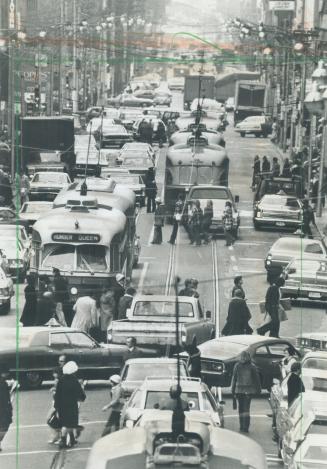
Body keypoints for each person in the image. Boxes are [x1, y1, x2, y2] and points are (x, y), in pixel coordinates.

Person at [54, 361, 86, 449]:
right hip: (71, 405)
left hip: (61, 405)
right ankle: (63, 440)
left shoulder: (61, 380)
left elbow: (57, 394)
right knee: (70, 423)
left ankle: (71, 439)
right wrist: (82, 397)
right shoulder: (74, 381)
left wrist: (56, 406)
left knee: (65, 422)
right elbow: (80, 394)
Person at [231, 351, 261, 433]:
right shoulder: (252, 366)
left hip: (239, 390)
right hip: (248, 390)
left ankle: (241, 426)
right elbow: (256, 380)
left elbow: (234, 379)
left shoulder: (237, 365)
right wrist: (259, 390)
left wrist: (232, 390)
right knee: (246, 409)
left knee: (240, 409)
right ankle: (245, 427)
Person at [0, 365, 13, 451]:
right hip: (3, 408)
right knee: (4, 426)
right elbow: (5, 397)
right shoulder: (2, 383)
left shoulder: (3, 382)